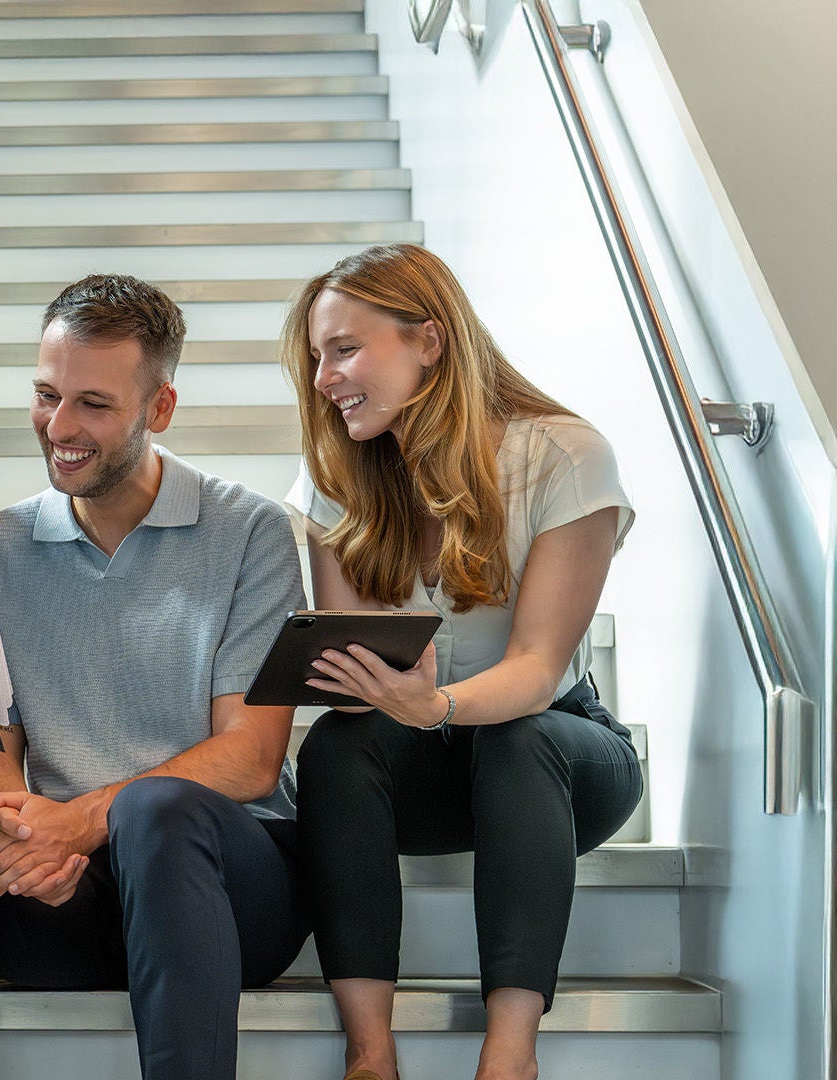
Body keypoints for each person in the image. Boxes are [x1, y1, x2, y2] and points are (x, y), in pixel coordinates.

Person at [0, 273, 312, 1080]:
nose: (59, 427)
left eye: (93, 405)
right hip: (67, 891)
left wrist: (85, 820)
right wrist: (28, 837)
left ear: (160, 408)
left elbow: (250, 756)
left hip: (222, 895)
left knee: (157, 809)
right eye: (45, 394)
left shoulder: (249, 532)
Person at [281, 243, 642, 1080]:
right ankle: (371, 1057)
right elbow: (359, 677)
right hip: (428, 766)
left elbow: (538, 668)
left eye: (344, 348)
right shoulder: (338, 475)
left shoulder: (563, 455)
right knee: (336, 747)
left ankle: (509, 1054)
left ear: (430, 343)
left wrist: (436, 708)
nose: (325, 378)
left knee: (522, 735)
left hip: (561, 756)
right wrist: (371, 692)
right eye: (315, 358)